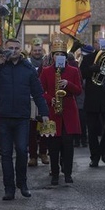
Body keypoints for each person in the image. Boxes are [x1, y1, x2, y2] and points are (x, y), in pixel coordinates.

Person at [0, 38, 49, 201]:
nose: (14, 51)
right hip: (4, 115)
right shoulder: (0, 66)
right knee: (6, 153)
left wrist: (45, 112)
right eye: (10, 48)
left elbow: (38, 92)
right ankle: (9, 188)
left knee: (21, 150)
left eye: (17, 48)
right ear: (5, 50)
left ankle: (22, 183)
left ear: (21, 50)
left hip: (22, 116)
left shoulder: (27, 68)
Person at [39, 37, 82, 185]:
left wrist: (68, 84)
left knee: (68, 144)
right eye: (56, 54)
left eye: (62, 54)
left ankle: (68, 173)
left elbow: (78, 91)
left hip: (69, 112)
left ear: (65, 57)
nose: (59, 57)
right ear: (52, 56)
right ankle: (55, 173)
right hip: (52, 111)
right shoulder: (45, 71)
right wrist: (49, 98)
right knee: (53, 145)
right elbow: (40, 91)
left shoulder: (73, 71)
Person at [79, 44, 105, 168]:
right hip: (91, 98)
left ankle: (103, 150)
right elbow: (81, 74)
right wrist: (91, 69)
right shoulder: (88, 59)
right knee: (91, 130)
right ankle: (95, 157)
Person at [27, 38, 49, 167]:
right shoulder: (27, 62)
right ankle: (33, 156)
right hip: (29, 99)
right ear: (31, 51)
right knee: (32, 129)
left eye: (39, 50)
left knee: (45, 127)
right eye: (35, 50)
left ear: (42, 50)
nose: (37, 52)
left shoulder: (47, 62)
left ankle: (43, 153)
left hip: (43, 98)